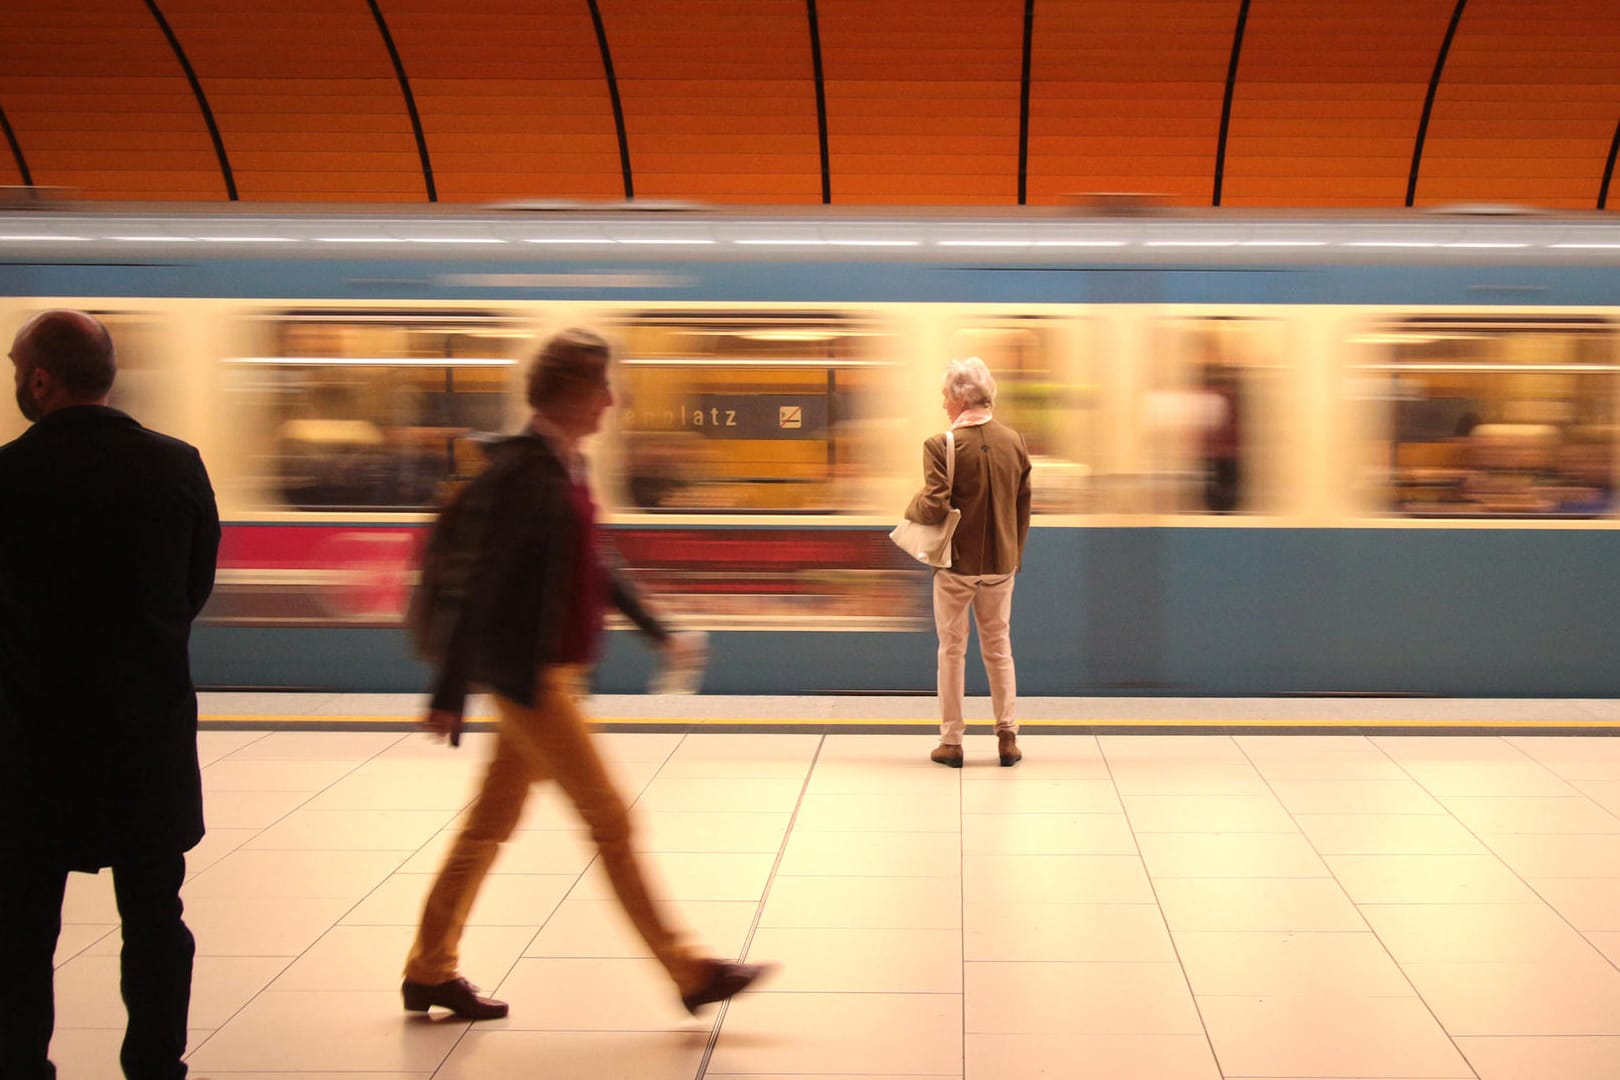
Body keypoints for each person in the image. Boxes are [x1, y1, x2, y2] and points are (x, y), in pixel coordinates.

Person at [402, 328, 771, 1021]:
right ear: (572, 394)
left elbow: (595, 565)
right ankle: (688, 970)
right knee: (612, 820)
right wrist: (448, 690)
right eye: (604, 387)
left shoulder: (567, 466)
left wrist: (661, 632)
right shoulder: (523, 475)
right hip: (531, 679)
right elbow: (479, 586)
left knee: (488, 825)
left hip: (551, 674)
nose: (614, 400)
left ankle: (428, 969)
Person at [0, 311, 220, 1080]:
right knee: (156, 920)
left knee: (22, 928)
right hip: (146, 739)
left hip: (29, 744)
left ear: (39, 380)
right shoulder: (177, 466)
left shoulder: (6, 477)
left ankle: (23, 1064)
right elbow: (192, 589)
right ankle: (155, 1065)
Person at [904, 357, 1031, 768]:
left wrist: (911, 506)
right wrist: (1015, 555)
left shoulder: (940, 445)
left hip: (957, 566)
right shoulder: (1014, 441)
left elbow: (935, 503)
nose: (943, 404)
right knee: (999, 648)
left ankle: (952, 742)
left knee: (952, 650)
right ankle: (1007, 737)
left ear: (960, 398)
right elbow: (1023, 506)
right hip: (1001, 565)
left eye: (945, 396)